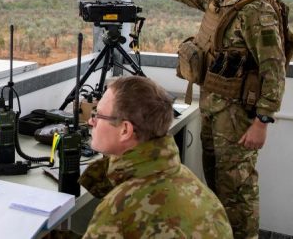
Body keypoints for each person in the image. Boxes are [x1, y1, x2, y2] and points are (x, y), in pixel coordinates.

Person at [99, 0, 287, 239]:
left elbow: (274, 70)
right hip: (212, 108)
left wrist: (262, 121)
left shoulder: (257, 12)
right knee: (215, 182)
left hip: (237, 117)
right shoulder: (215, 0)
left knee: (238, 191)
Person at [80, 75, 232, 238]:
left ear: (125, 130)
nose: (90, 121)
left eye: (98, 115)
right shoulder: (195, 187)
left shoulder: (119, 210)